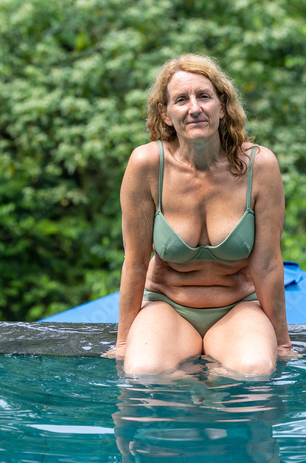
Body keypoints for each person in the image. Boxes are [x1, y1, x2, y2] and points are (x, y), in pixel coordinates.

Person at [106, 53, 294, 376]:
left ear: (222, 106)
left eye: (204, 96)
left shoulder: (260, 166)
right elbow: (135, 261)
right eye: (181, 99)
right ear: (165, 114)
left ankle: (211, 394)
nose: (194, 107)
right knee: (143, 372)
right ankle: (195, 390)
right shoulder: (146, 166)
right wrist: (123, 343)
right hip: (168, 306)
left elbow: (267, 264)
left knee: (255, 371)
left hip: (237, 307)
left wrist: (283, 344)